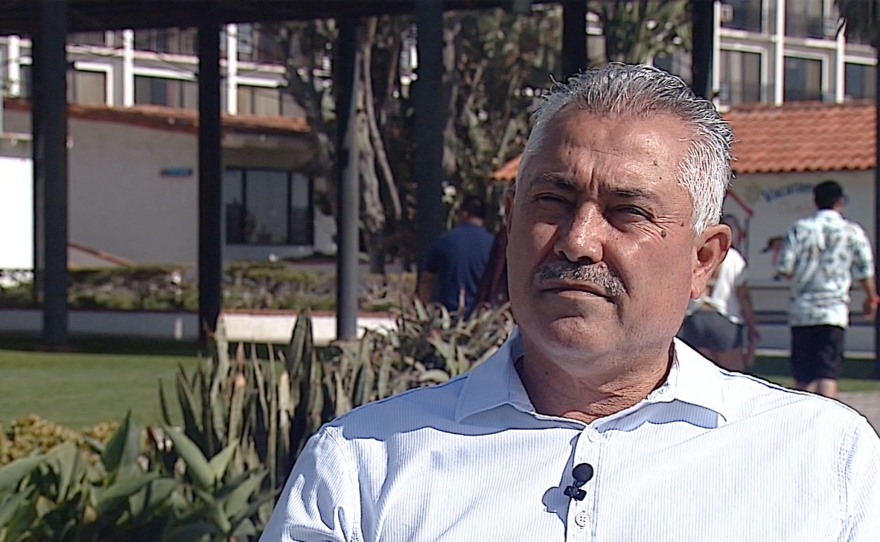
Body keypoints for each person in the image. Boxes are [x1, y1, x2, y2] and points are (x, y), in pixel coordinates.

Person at [261, 65, 880, 541]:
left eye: (627, 211)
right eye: (552, 202)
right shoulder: (363, 465)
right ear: (511, 221)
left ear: (703, 260)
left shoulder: (823, 462)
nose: (578, 240)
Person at [776, 180, 878, 399]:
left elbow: (785, 268)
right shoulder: (852, 232)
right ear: (840, 202)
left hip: (801, 310)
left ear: (815, 201)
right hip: (833, 310)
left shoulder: (798, 229)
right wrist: (872, 298)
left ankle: (803, 419)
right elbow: (865, 269)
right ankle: (826, 418)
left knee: (803, 374)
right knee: (827, 371)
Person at [677, 246, 760, 371]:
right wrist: (751, 326)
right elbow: (743, 295)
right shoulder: (733, 257)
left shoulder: (694, 254)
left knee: (702, 374)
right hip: (725, 318)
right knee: (732, 375)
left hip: (695, 316)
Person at [416, 194, 494, 313]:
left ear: (463, 213)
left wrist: (423, 309)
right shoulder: (493, 244)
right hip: (484, 318)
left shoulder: (445, 240)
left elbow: (427, 280)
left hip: (449, 315)